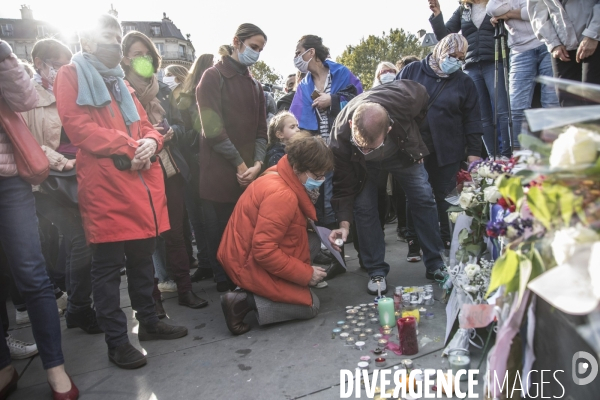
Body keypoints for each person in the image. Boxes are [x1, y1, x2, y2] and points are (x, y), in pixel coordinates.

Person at [54, 14, 188, 370]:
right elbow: (79, 128)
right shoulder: (70, 74)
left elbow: (147, 125)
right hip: (107, 186)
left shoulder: (121, 84)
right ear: (86, 40)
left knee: (143, 260)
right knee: (108, 268)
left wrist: (150, 140)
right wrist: (132, 145)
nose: (114, 42)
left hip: (141, 183)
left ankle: (150, 322)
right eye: (106, 36)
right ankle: (117, 341)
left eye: (117, 36)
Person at [0, 39, 78, 400]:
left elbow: (24, 99)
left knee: (32, 271)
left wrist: (3, 52)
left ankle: (55, 367)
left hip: (9, 180)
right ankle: (4, 366)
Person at [328, 81, 447, 294]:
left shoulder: (406, 98)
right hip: (361, 168)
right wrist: (344, 225)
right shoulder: (339, 139)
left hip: (401, 152)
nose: (365, 151)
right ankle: (376, 270)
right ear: (350, 125)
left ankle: (436, 263)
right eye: (360, 146)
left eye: (371, 148)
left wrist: (414, 142)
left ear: (389, 128)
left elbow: (423, 98)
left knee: (423, 196)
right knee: (363, 207)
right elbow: (343, 186)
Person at [19, 38, 102, 335]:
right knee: (81, 238)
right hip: (49, 182)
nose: (61, 70)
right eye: (56, 64)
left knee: (79, 240)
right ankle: (79, 307)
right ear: (39, 63)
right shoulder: (27, 97)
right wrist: (61, 161)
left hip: (79, 175)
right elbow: (24, 142)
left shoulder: (73, 89)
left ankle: (78, 304)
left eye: (66, 64)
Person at [121, 30, 207, 313]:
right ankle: (152, 305)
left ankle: (185, 290)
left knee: (177, 234)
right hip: (138, 171)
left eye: (147, 54)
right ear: (125, 59)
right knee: (145, 240)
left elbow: (188, 128)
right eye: (136, 54)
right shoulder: (119, 91)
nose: (142, 59)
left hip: (171, 169)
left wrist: (171, 132)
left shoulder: (167, 91)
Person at [217, 134, 332, 334]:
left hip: (240, 252)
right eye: (317, 175)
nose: (321, 181)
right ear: (298, 168)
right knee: (311, 306)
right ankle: (243, 301)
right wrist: (306, 274)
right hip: (245, 262)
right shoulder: (283, 195)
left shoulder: (278, 172)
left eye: (324, 175)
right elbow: (263, 251)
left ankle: (257, 290)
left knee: (311, 239)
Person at [196, 23, 268, 292]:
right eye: (253, 47)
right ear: (237, 42)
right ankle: (228, 292)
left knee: (245, 236)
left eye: (260, 49)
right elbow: (212, 130)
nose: (257, 53)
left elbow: (262, 130)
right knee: (220, 238)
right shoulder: (213, 77)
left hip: (248, 174)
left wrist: (258, 165)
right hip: (220, 174)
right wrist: (241, 165)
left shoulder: (255, 85)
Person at [398, 33, 483, 256]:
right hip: (415, 147)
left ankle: (447, 240)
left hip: (448, 149)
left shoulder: (464, 82)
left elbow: (472, 119)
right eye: (452, 55)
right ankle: (414, 241)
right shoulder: (413, 70)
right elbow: (394, 101)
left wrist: (474, 153)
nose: (456, 61)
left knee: (446, 197)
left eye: (461, 57)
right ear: (440, 50)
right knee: (417, 195)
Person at [290, 34, 362, 248]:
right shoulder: (303, 86)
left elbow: (360, 100)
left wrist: (333, 100)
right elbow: (297, 122)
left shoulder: (341, 73)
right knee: (328, 202)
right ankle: (335, 251)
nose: (295, 58)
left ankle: (363, 254)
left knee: (355, 199)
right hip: (322, 156)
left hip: (348, 150)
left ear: (311, 52)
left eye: (298, 52)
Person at [429, 0, 512, 158]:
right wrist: (437, 14)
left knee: (502, 110)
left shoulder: (496, 4)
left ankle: (507, 155)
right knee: (481, 115)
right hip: (471, 66)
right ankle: (493, 157)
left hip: (494, 62)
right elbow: (445, 36)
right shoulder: (463, 10)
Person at [486, 0, 559, 147]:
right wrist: (520, 11)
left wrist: (507, 14)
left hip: (547, 42)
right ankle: (519, 156)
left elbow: (536, 10)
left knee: (551, 102)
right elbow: (492, 8)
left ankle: (554, 151)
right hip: (520, 50)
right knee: (517, 106)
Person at [177, 54, 216, 283]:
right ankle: (208, 262)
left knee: (200, 218)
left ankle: (207, 262)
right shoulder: (194, 99)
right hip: (199, 161)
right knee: (204, 218)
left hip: (193, 162)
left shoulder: (185, 98)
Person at [528, 0, 600, 106]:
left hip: (594, 38)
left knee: (591, 98)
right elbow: (537, 9)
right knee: (568, 103)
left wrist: (593, 34)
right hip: (561, 43)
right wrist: (553, 42)